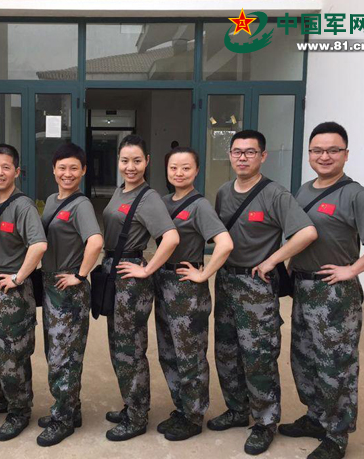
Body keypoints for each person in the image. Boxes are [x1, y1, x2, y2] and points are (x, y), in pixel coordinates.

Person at [279, 122, 364, 459]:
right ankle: (316, 417)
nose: (324, 156)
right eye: (317, 150)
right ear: (309, 154)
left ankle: (336, 435)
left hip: (334, 294)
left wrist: (353, 269)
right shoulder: (304, 191)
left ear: (346, 154)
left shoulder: (356, 194)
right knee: (304, 359)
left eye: (333, 150)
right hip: (304, 288)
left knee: (336, 365)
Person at [209, 130, 318, 455]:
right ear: (230, 155)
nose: (243, 157)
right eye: (237, 152)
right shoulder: (223, 192)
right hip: (227, 281)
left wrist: (273, 260)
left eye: (250, 152)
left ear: (263, 156)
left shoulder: (275, 194)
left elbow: (307, 232)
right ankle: (236, 409)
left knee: (258, 356)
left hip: (257, 286)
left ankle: (265, 422)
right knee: (226, 351)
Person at [101, 134, 179, 441]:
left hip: (131, 280)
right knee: (118, 346)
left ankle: (136, 416)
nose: (130, 167)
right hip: (114, 272)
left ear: (147, 161)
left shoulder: (149, 198)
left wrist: (146, 269)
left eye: (136, 161)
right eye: (125, 161)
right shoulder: (121, 190)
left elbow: (171, 238)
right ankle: (131, 403)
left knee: (130, 349)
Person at [154, 146, 233, 441]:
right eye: (173, 168)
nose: (179, 173)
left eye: (186, 168)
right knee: (168, 352)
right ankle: (182, 407)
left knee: (190, 354)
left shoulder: (200, 206)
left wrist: (203, 273)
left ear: (196, 171)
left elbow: (224, 243)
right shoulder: (163, 202)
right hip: (163, 282)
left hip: (187, 288)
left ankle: (194, 415)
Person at [0, 144, 48, 442]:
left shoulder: (23, 206)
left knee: (12, 355)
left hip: (10, 294)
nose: (0, 172)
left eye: (6, 167)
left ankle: (19, 410)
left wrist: (18, 277)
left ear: (16, 172)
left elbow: (39, 245)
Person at [36, 143, 103, 447]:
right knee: (57, 352)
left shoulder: (81, 205)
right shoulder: (52, 200)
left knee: (64, 357)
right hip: (51, 284)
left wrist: (80, 275)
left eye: (74, 168)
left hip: (68, 289)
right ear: (53, 170)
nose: (67, 173)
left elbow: (95, 241)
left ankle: (63, 419)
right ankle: (70, 410)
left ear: (83, 171)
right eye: (62, 167)